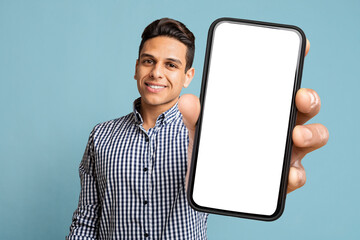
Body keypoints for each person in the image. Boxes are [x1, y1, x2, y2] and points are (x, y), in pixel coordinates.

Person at [66, 18, 329, 239]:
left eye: (171, 65)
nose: (156, 72)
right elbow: (87, 218)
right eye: (148, 61)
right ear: (136, 68)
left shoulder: (208, 132)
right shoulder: (101, 135)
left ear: (188, 76)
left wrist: (262, 166)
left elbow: (238, 175)